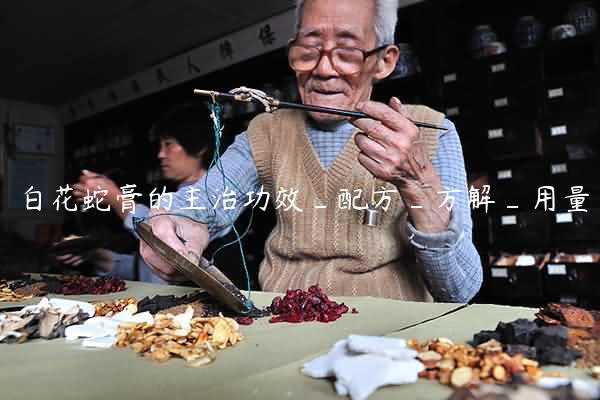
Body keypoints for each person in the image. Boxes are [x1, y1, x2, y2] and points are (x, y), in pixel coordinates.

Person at [140, 0, 483, 302]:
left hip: (389, 340)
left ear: (384, 61)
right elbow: (207, 202)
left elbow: (460, 288)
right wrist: (176, 223)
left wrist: (416, 181)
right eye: (308, 49)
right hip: (285, 327)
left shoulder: (430, 131)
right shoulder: (267, 130)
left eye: (347, 52)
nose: (323, 69)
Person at [57, 103, 214, 283]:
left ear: (200, 147)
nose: (161, 154)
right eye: (160, 145)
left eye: (169, 144)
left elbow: (166, 242)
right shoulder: (174, 196)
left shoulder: (211, 197)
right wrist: (98, 257)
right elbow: (154, 269)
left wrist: (115, 198)